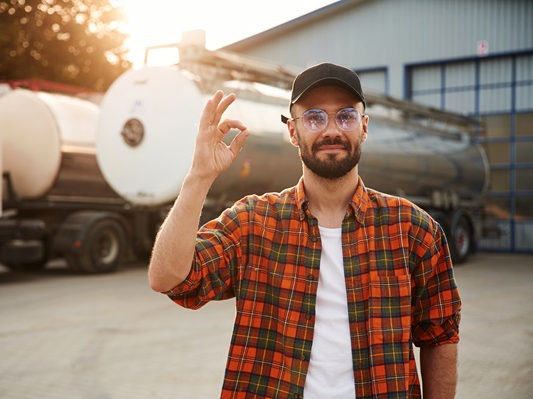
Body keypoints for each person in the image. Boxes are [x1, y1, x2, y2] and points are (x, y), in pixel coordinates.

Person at [148, 62, 461, 399]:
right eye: (314, 117)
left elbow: (440, 337)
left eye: (345, 116)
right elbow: (169, 279)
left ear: (364, 127)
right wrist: (199, 176)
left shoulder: (413, 229)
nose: (331, 130)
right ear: (293, 132)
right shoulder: (254, 222)